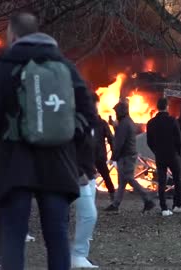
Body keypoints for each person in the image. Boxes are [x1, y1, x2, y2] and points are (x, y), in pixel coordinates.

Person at [0, 12, 97, 269]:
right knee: (57, 236)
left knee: (13, 237)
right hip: (58, 163)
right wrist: (68, 140)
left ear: (13, 35)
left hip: (13, 165)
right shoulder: (66, 67)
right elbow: (88, 113)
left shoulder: (3, 68)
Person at [104, 100, 155, 212]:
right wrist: (114, 125)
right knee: (122, 182)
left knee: (129, 179)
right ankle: (115, 205)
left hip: (126, 156)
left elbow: (119, 142)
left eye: (117, 111)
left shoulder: (124, 124)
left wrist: (113, 157)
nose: (116, 113)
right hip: (128, 155)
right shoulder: (126, 122)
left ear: (121, 111)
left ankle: (147, 200)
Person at [146, 97, 181, 217]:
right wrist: (178, 152)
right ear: (167, 107)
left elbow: (149, 142)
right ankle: (177, 204)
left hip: (160, 155)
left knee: (162, 181)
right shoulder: (173, 121)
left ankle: (163, 207)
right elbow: (179, 140)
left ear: (157, 107)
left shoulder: (151, 123)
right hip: (173, 155)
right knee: (177, 180)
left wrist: (156, 151)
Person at [71, 107, 98, 268]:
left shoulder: (91, 125)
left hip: (88, 175)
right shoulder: (74, 124)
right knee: (88, 215)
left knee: (87, 215)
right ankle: (77, 255)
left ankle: (80, 255)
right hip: (76, 176)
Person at [93, 93, 115, 201]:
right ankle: (113, 198)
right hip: (100, 154)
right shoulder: (102, 123)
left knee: (89, 177)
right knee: (106, 176)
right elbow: (111, 139)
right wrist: (114, 154)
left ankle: (90, 198)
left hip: (90, 155)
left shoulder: (87, 122)